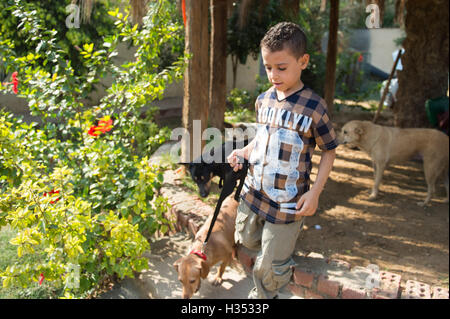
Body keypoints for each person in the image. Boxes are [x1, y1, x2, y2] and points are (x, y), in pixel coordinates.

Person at [227, 22, 338, 299]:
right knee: (246, 238)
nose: (273, 75)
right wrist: (244, 152)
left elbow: (330, 150)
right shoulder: (263, 100)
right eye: (268, 67)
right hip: (253, 194)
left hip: (288, 204)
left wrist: (315, 193)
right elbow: (263, 140)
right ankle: (274, 249)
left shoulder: (314, 107)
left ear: (303, 62)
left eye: (281, 67)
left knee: (269, 267)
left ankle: (264, 294)